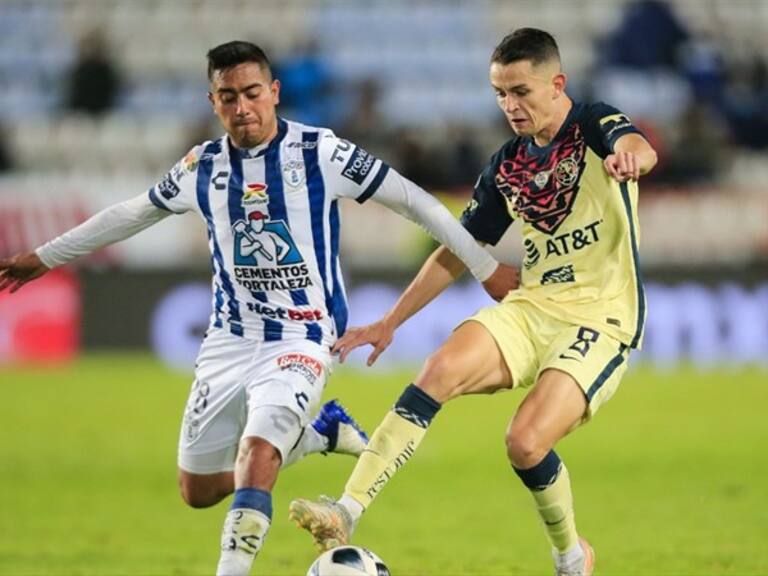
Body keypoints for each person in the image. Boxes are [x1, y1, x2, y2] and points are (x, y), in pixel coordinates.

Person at [0, 41, 517, 576]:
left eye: (252, 93)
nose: (242, 107)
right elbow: (130, 214)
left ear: (273, 93)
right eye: (228, 97)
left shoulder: (323, 152)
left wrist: (483, 266)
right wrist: (45, 257)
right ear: (213, 101)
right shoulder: (202, 166)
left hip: (302, 336)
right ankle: (320, 435)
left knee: (257, 453)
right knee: (197, 489)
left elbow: (415, 200)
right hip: (228, 339)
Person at [289, 28, 657, 576]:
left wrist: (631, 161)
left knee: (525, 442)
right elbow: (456, 252)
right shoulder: (508, 165)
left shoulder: (593, 124)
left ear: (557, 84)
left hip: (601, 318)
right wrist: (390, 322)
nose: (510, 105)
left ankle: (571, 557)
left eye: (521, 91)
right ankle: (345, 509)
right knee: (436, 371)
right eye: (500, 93)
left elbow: (638, 147)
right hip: (532, 306)